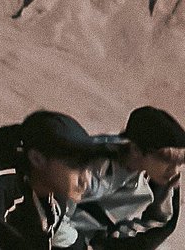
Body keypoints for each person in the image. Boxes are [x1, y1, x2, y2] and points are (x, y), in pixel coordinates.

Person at [0, 110, 121, 249]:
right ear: (37, 159)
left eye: (87, 169)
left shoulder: (53, 201)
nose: (86, 180)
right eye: (76, 167)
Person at [71, 106, 185, 249]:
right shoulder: (94, 162)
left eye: (180, 163)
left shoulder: (161, 179)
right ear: (136, 149)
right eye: (166, 161)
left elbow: (159, 226)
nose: (175, 171)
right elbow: (54, 201)